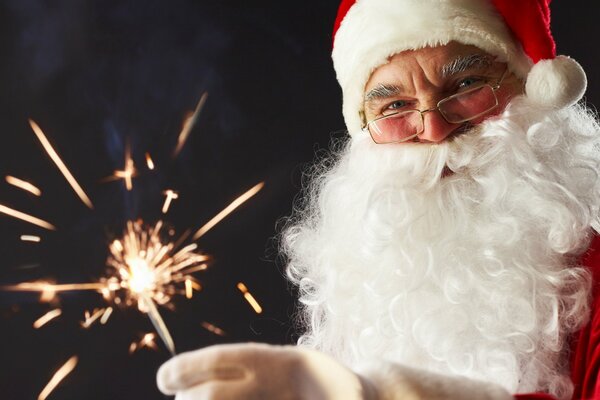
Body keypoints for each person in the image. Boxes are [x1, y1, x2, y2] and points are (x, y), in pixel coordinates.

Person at [156, 0, 600, 399]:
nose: (433, 129)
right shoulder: (362, 292)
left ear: (528, 88)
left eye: (465, 85)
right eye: (394, 107)